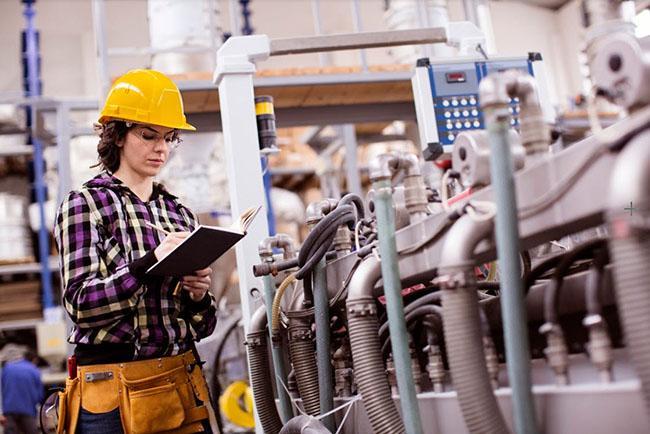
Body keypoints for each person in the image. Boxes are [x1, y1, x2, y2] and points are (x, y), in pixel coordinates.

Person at [54, 69, 218, 434]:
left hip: (180, 381)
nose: (161, 148)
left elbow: (203, 326)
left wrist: (198, 296)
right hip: (110, 392)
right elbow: (82, 305)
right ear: (116, 135)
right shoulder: (85, 205)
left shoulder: (178, 213)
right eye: (148, 135)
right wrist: (147, 265)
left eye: (170, 138)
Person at [1, 348, 43, 434]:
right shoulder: (34, 370)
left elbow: (2, 389)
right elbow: (39, 395)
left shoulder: (8, 368)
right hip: (27, 411)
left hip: (9, 410)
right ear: (34, 360)